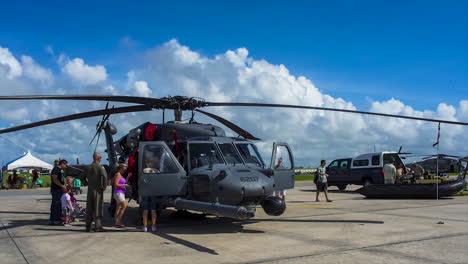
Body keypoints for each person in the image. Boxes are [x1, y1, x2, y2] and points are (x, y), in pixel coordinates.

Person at [85, 152, 108, 232]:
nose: (101, 159)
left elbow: (81, 177)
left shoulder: (88, 167)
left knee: (89, 208)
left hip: (90, 189)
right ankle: (98, 226)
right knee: (98, 207)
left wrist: (87, 183)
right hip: (98, 190)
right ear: (98, 158)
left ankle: (88, 226)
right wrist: (104, 187)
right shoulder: (100, 167)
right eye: (100, 157)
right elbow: (105, 177)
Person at [49, 160, 68, 225]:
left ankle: (53, 219)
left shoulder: (61, 170)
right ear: (62, 164)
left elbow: (61, 179)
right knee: (56, 205)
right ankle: (55, 220)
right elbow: (55, 179)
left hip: (60, 189)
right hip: (56, 189)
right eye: (65, 165)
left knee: (58, 204)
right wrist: (61, 186)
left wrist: (64, 185)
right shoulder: (56, 169)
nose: (66, 166)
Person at [113, 163, 128, 228]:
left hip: (120, 193)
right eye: (124, 169)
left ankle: (116, 221)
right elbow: (116, 184)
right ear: (121, 168)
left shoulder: (120, 175)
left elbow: (123, 182)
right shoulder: (118, 175)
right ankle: (118, 221)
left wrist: (128, 177)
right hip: (119, 193)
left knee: (118, 208)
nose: (125, 170)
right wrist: (124, 185)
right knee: (124, 206)